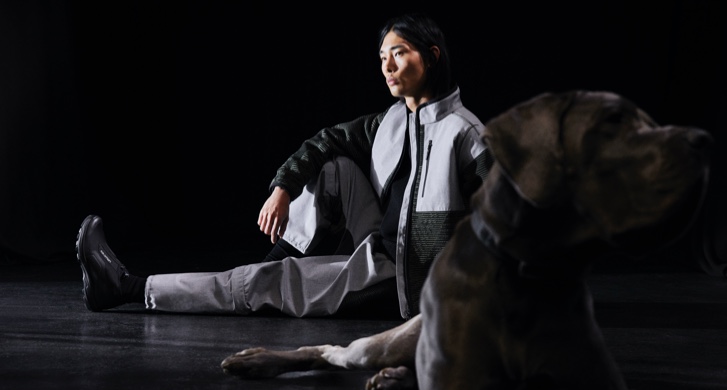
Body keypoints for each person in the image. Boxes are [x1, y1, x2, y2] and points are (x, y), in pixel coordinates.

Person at [77, 12, 492, 320]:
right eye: (382, 56)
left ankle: (127, 288)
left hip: (402, 281)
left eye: (398, 54)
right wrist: (283, 189)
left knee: (267, 283)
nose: (387, 67)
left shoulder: (466, 135)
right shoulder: (394, 120)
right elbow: (325, 142)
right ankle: (263, 275)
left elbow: (503, 225)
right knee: (333, 168)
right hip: (381, 245)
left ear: (432, 57)